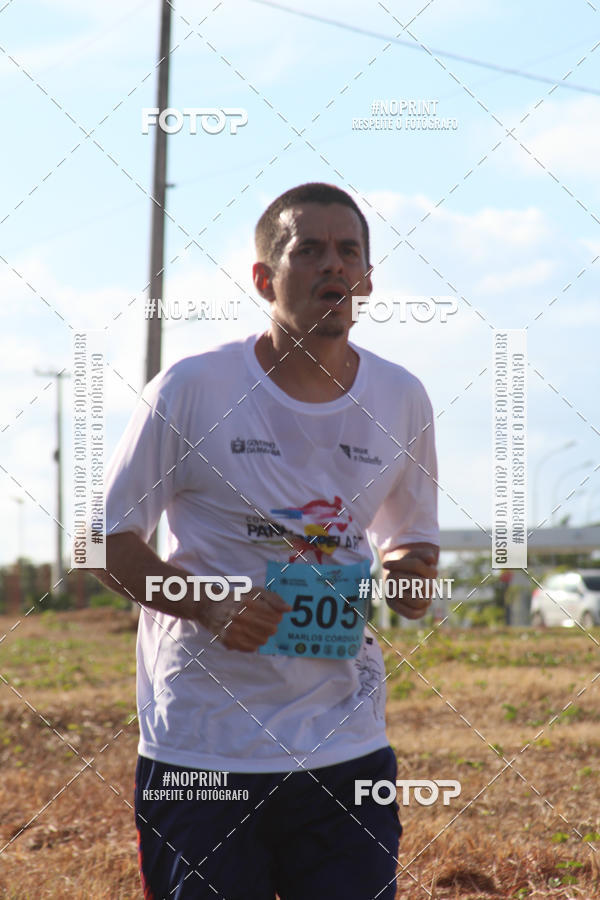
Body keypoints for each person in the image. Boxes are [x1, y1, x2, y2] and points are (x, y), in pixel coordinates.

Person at [93, 182, 439, 899]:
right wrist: (209, 603)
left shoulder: (402, 398)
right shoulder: (192, 389)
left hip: (347, 749)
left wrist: (409, 574)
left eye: (349, 252)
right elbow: (105, 542)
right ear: (264, 277)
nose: (332, 268)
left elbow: (410, 535)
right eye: (307, 250)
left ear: (368, 279)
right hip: (203, 747)